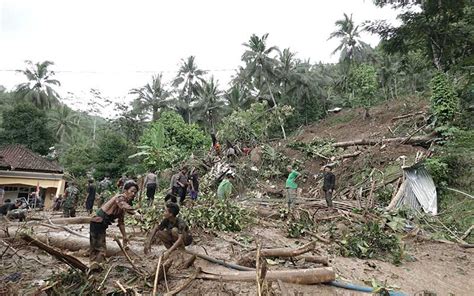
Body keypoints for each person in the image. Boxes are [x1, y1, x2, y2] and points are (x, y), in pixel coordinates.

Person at [89, 181, 141, 268]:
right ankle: (96, 266)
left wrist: (124, 236)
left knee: (97, 245)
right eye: (131, 191)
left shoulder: (124, 202)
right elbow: (122, 205)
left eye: (135, 192)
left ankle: (97, 264)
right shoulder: (120, 198)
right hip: (98, 221)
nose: (133, 194)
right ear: (125, 190)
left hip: (101, 223)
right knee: (98, 246)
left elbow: (121, 222)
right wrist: (135, 212)